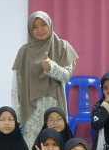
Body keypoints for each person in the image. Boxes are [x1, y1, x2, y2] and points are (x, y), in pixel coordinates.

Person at [12, 12, 76, 142]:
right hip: (31, 109)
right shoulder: (24, 51)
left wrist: (52, 68)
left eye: (43, 24)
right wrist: (16, 114)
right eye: (35, 27)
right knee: (32, 146)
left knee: (55, 145)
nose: (40, 30)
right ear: (30, 30)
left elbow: (66, 76)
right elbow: (16, 86)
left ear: (50, 25)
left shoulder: (62, 47)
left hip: (54, 107)